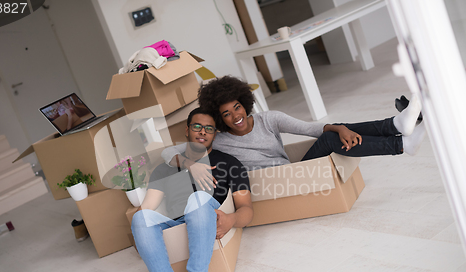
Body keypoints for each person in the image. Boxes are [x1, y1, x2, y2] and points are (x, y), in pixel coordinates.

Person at [161, 75, 426, 190]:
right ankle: (397, 133)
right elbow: (166, 152)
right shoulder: (218, 140)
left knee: (331, 135)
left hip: (293, 170)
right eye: (226, 114)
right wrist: (188, 163)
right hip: (277, 184)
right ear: (219, 118)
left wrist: (340, 126)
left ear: (244, 103)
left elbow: (311, 129)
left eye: (237, 107)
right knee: (332, 136)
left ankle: (399, 134)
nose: (235, 116)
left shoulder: (269, 119)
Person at [131, 107, 253, 272]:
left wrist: (232, 219)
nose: (203, 132)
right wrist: (139, 235)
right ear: (187, 130)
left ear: (214, 134)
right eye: (197, 126)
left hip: (207, 215)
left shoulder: (229, 163)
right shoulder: (166, 168)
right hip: (177, 222)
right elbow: (147, 207)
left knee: (198, 199)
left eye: (209, 128)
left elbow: (246, 208)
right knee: (140, 219)